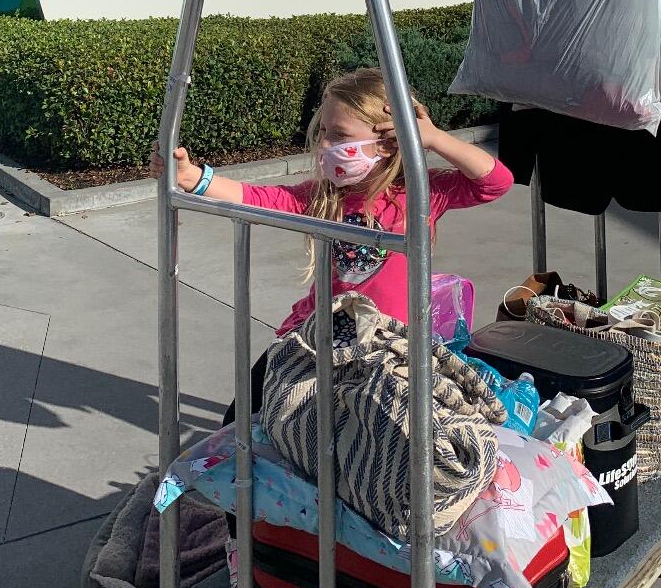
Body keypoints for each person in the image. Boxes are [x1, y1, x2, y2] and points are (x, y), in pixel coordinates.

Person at [153, 65, 513, 417]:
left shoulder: (422, 193)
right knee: (243, 417)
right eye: (323, 130)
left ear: (388, 143)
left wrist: (434, 138)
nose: (324, 145)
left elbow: (495, 182)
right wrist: (193, 177)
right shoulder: (323, 197)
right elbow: (258, 196)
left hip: (385, 345)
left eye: (338, 135)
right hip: (315, 330)